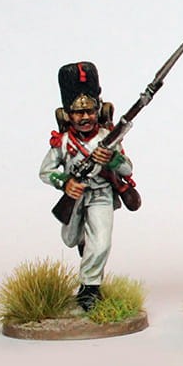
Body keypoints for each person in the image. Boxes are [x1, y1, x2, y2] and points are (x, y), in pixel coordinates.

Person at [39, 62, 134, 311]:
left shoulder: (107, 138)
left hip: (101, 194)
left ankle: (89, 288)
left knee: (101, 243)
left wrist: (112, 159)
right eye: (78, 113)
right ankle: (84, 239)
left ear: (97, 110)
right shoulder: (64, 142)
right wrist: (65, 182)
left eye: (90, 111)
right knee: (70, 239)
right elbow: (45, 171)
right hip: (76, 196)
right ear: (68, 115)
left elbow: (127, 169)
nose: (85, 117)